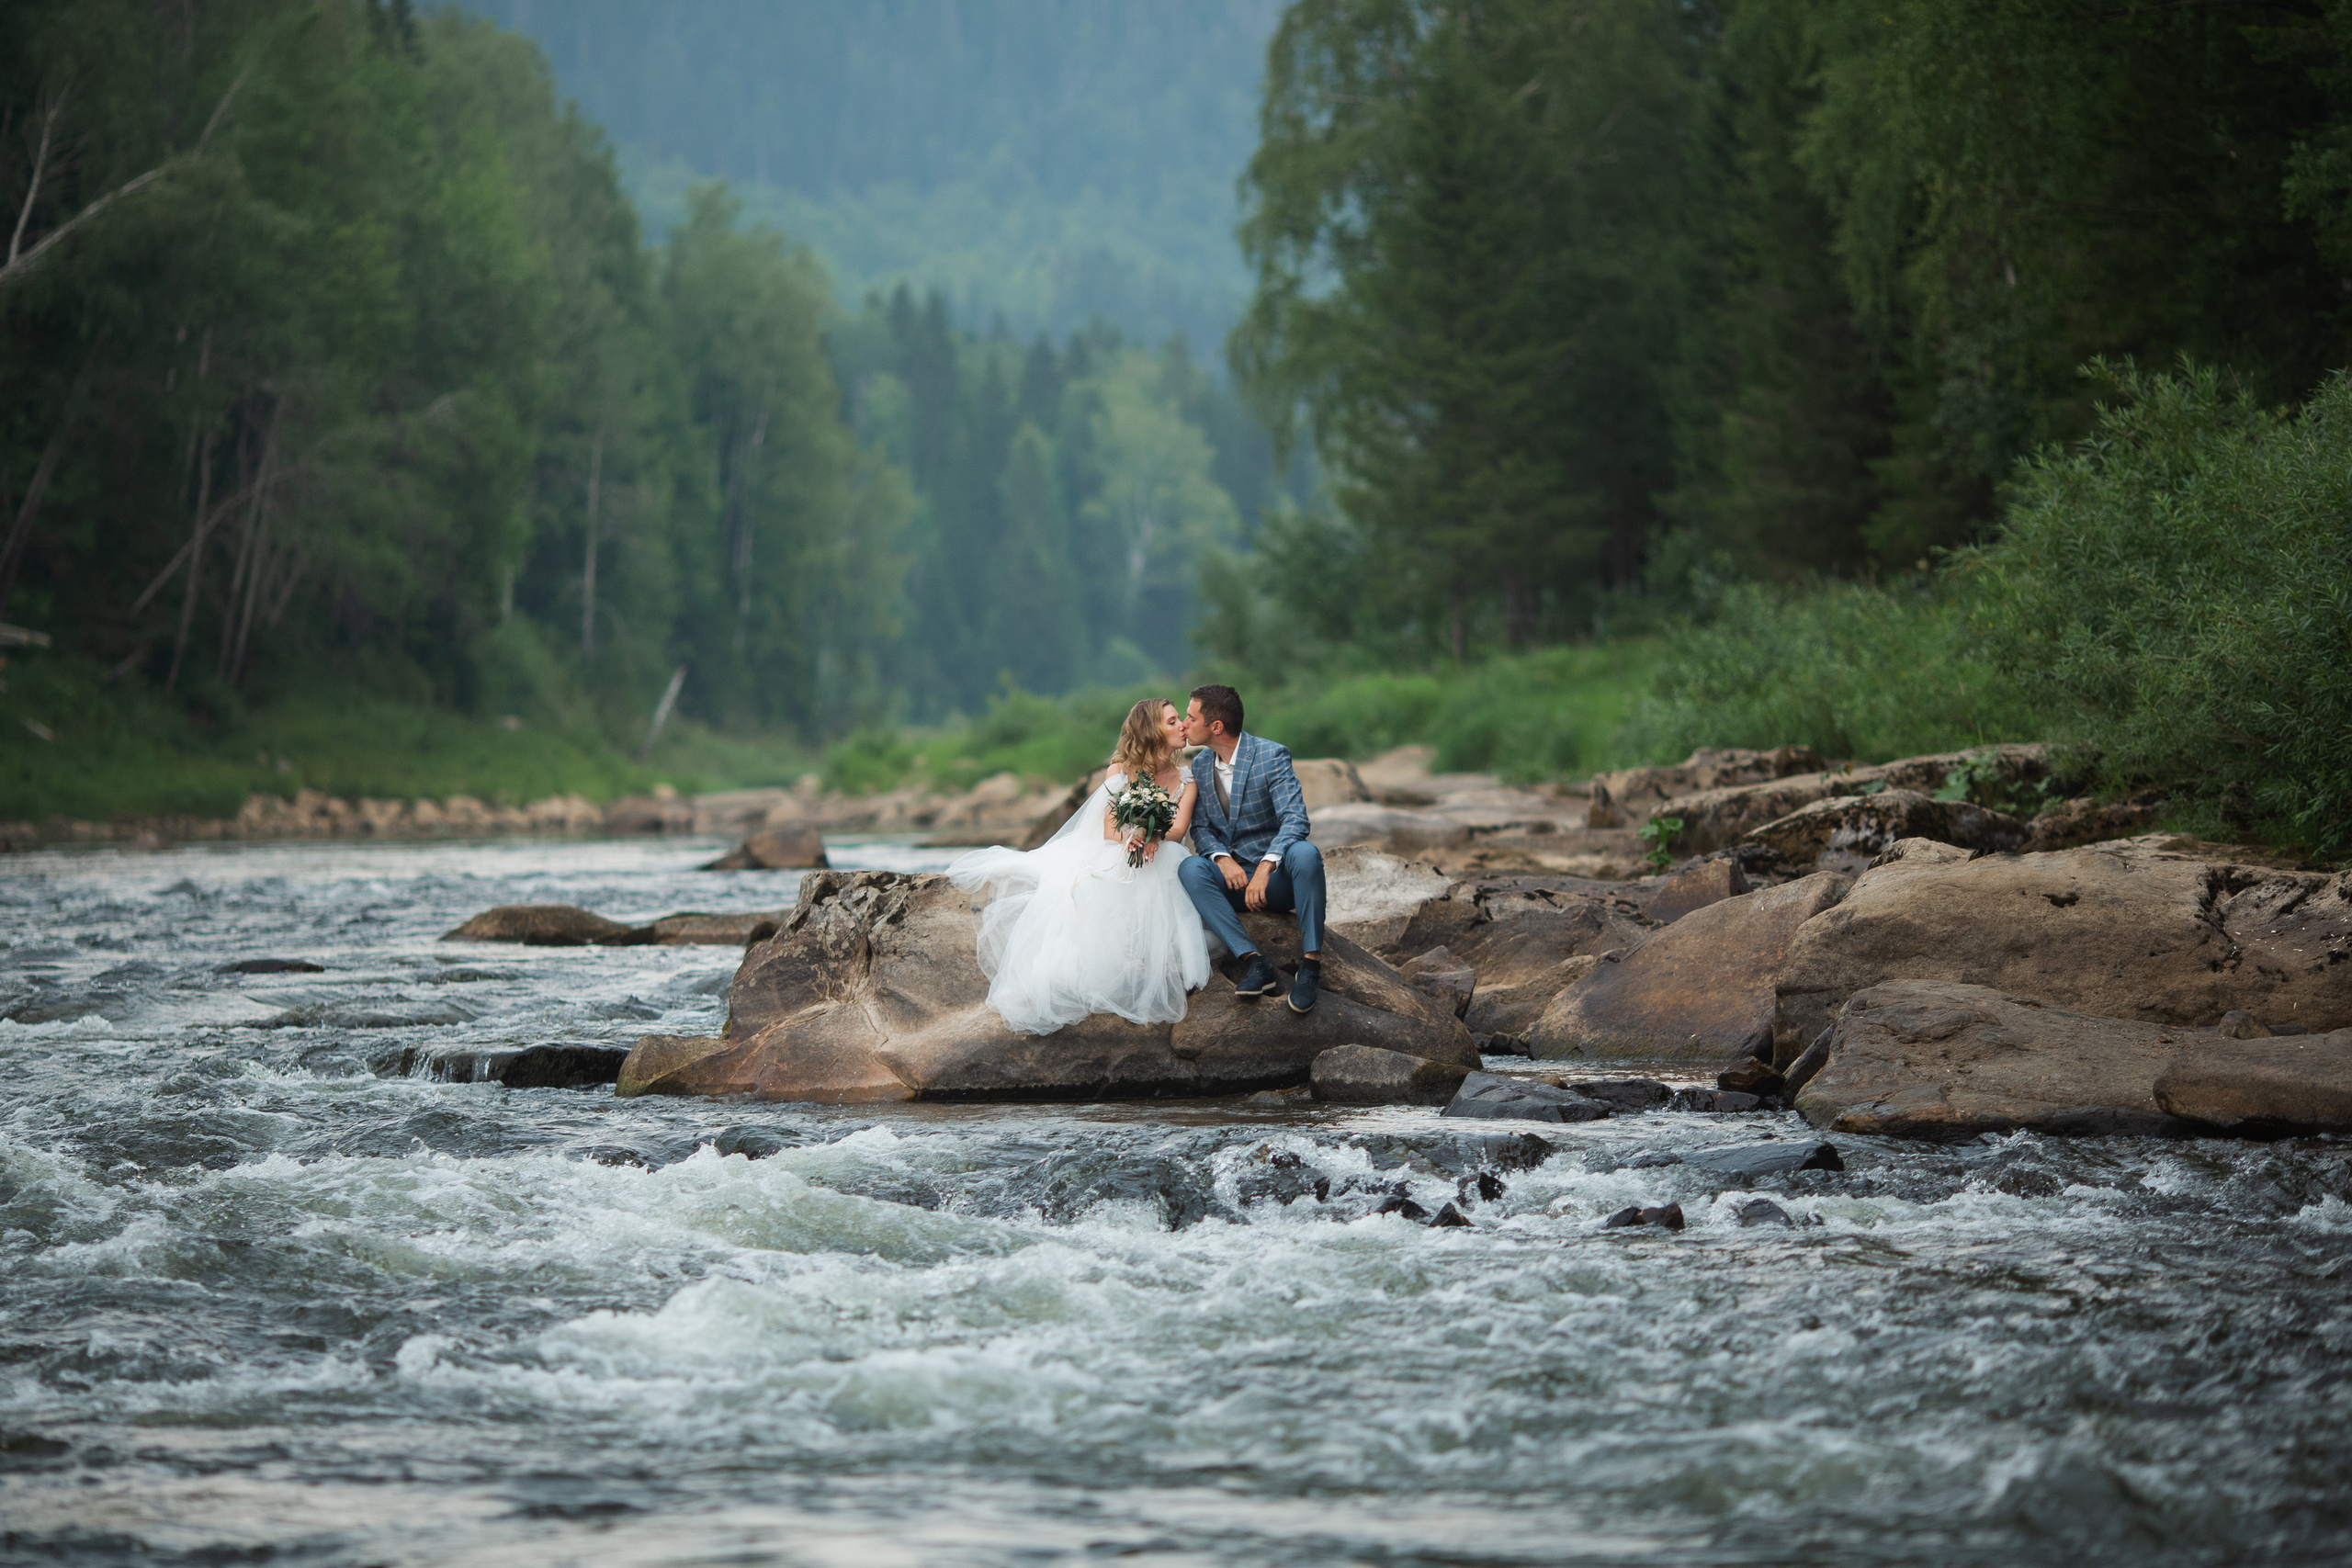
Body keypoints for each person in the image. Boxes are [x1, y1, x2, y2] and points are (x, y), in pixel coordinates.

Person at [947, 698, 1210, 1035]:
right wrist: (1134, 835)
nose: (1182, 727)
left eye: (1180, 720)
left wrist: (1153, 832)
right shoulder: (1120, 771)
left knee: (1170, 861)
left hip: (1163, 852)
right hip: (1121, 849)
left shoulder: (1187, 780)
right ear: (1151, 731)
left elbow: (1177, 830)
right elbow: (1109, 830)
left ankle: (1153, 954)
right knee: (1105, 877)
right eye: (1173, 722)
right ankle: (1123, 956)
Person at [1177, 683, 1327, 1014]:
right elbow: (1200, 828)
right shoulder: (1200, 766)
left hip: (1275, 883)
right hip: (1232, 883)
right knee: (1190, 868)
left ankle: (1311, 965)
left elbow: (1295, 820)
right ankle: (1255, 961)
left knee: (1306, 853)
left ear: (1215, 727)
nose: (1184, 724)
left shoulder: (1270, 755)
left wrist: (1265, 867)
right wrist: (1222, 858)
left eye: (1190, 717)